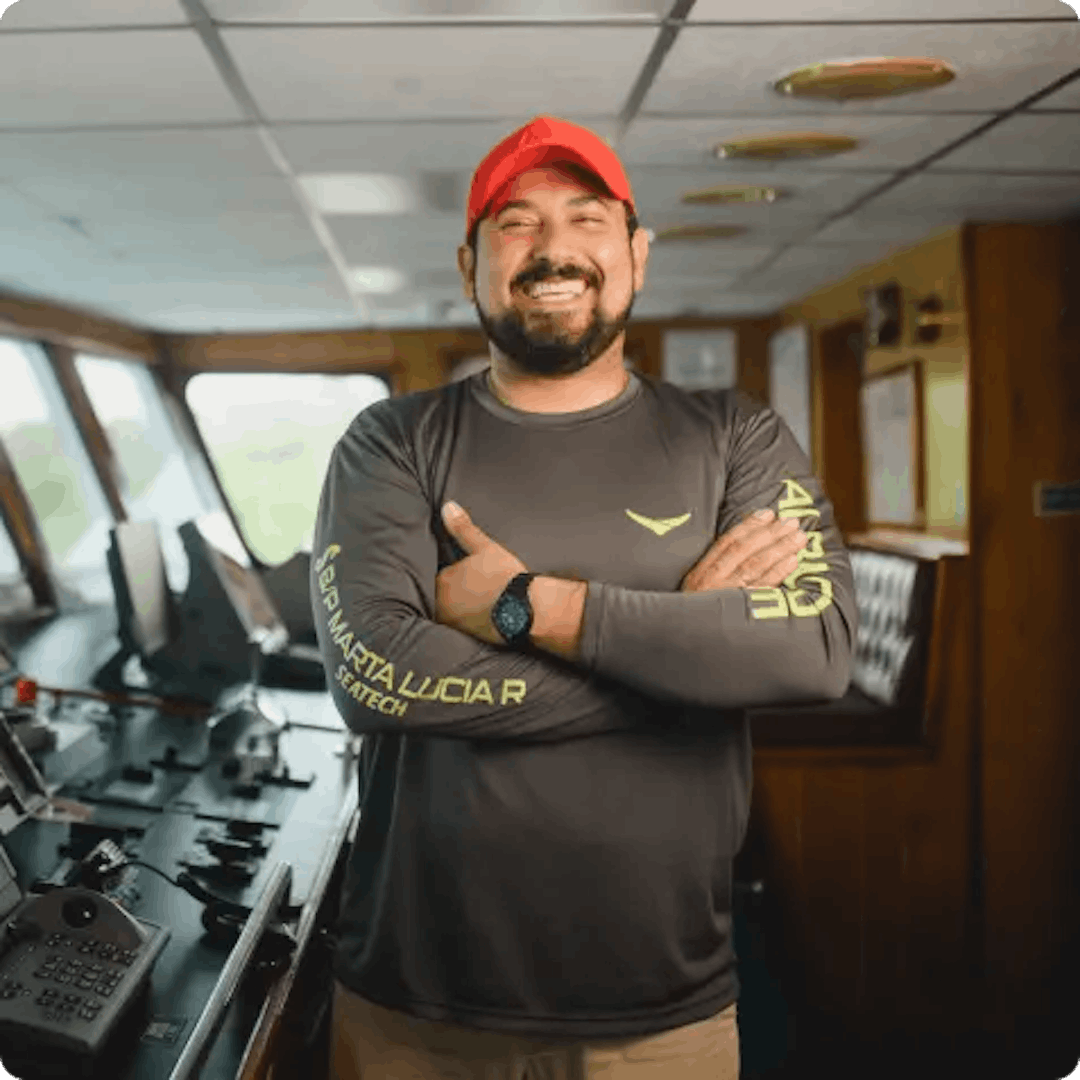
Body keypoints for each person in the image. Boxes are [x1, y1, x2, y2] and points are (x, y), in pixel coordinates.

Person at [311, 115, 856, 1080]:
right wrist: (681, 660)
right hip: (413, 1009)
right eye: (516, 223)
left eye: (587, 218)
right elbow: (378, 678)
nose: (554, 248)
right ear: (469, 260)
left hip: (663, 1017)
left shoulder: (737, 438)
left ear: (636, 254)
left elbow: (810, 650)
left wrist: (529, 607)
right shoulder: (390, 440)